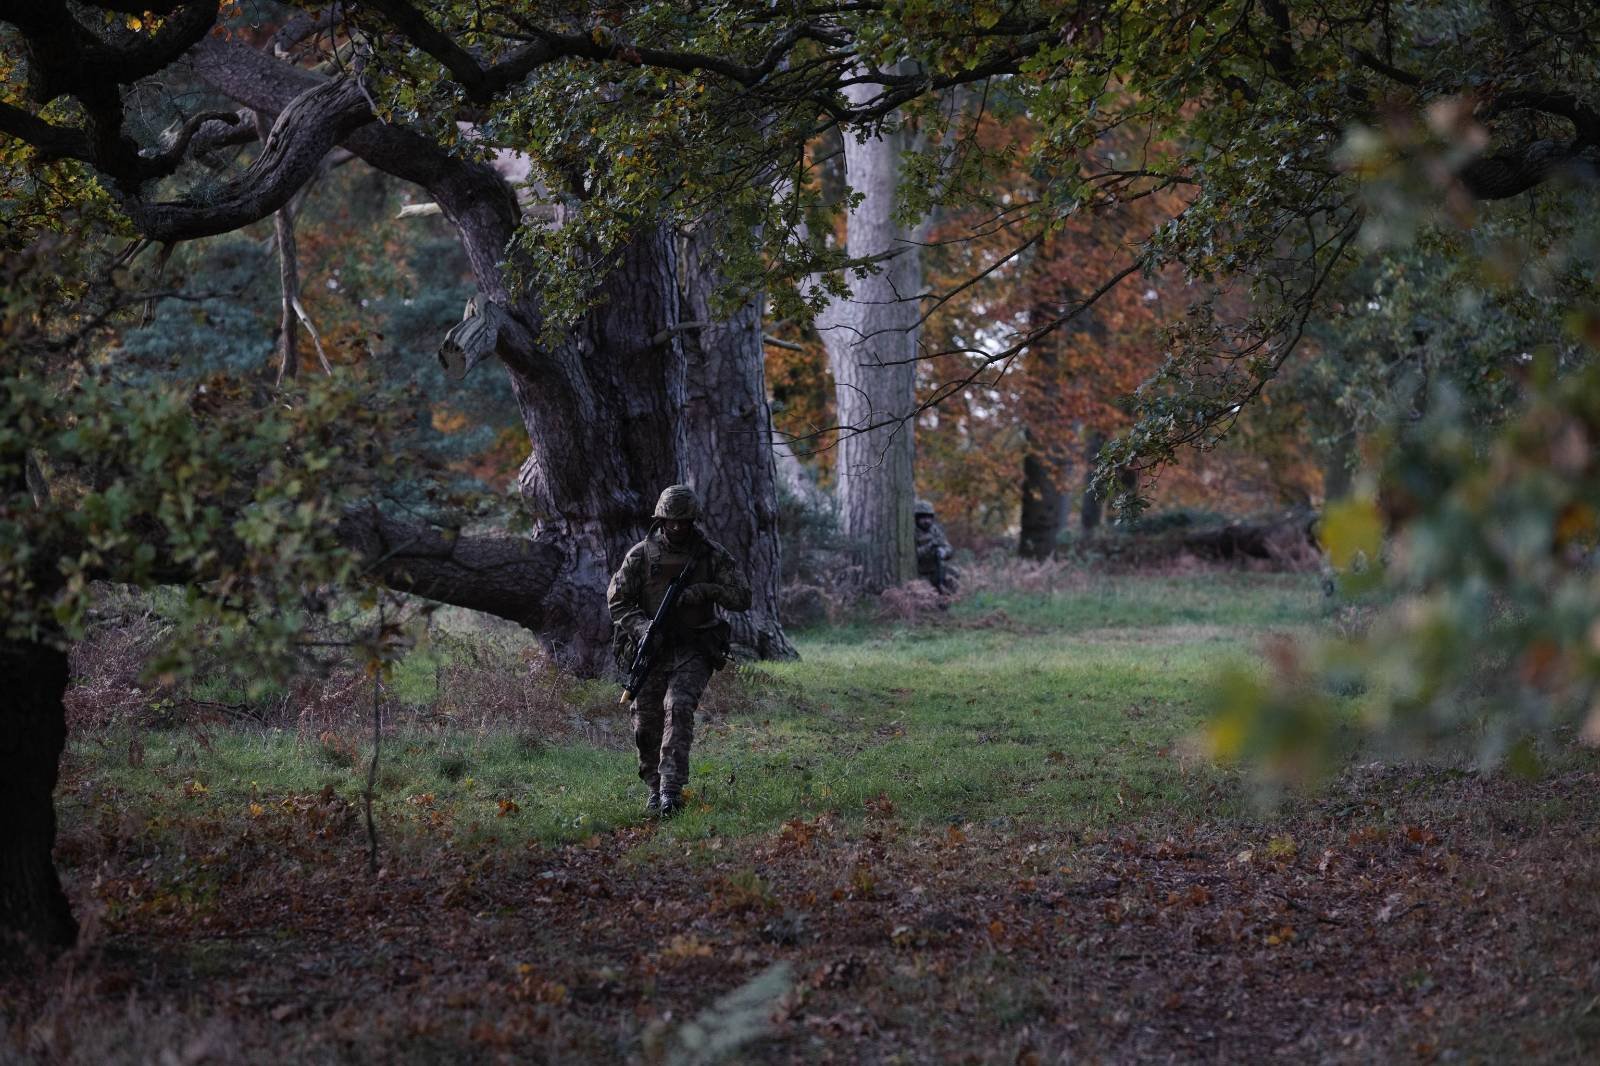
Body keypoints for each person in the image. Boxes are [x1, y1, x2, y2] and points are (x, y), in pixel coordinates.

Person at [607, 485, 751, 817]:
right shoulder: (641, 555)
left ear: (693, 521)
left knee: (679, 707)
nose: (677, 527)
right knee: (646, 719)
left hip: (694, 645)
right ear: (660, 520)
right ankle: (654, 787)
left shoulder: (710, 555)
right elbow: (617, 601)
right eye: (671, 521)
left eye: (684, 522)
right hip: (652, 648)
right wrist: (643, 628)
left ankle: (672, 789)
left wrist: (706, 590)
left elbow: (743, 597)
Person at [914, 497, 957, 593]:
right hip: (920, 572)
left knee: (954, 573)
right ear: (917, 518)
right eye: (923, 517)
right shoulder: (912, 532)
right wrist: (930, 546)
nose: (926, 521)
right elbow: (913, 555)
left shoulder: (935, 530)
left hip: (936, 568)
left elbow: (949, 547)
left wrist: (944, 552)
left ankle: (947, 602)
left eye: (929, 517)